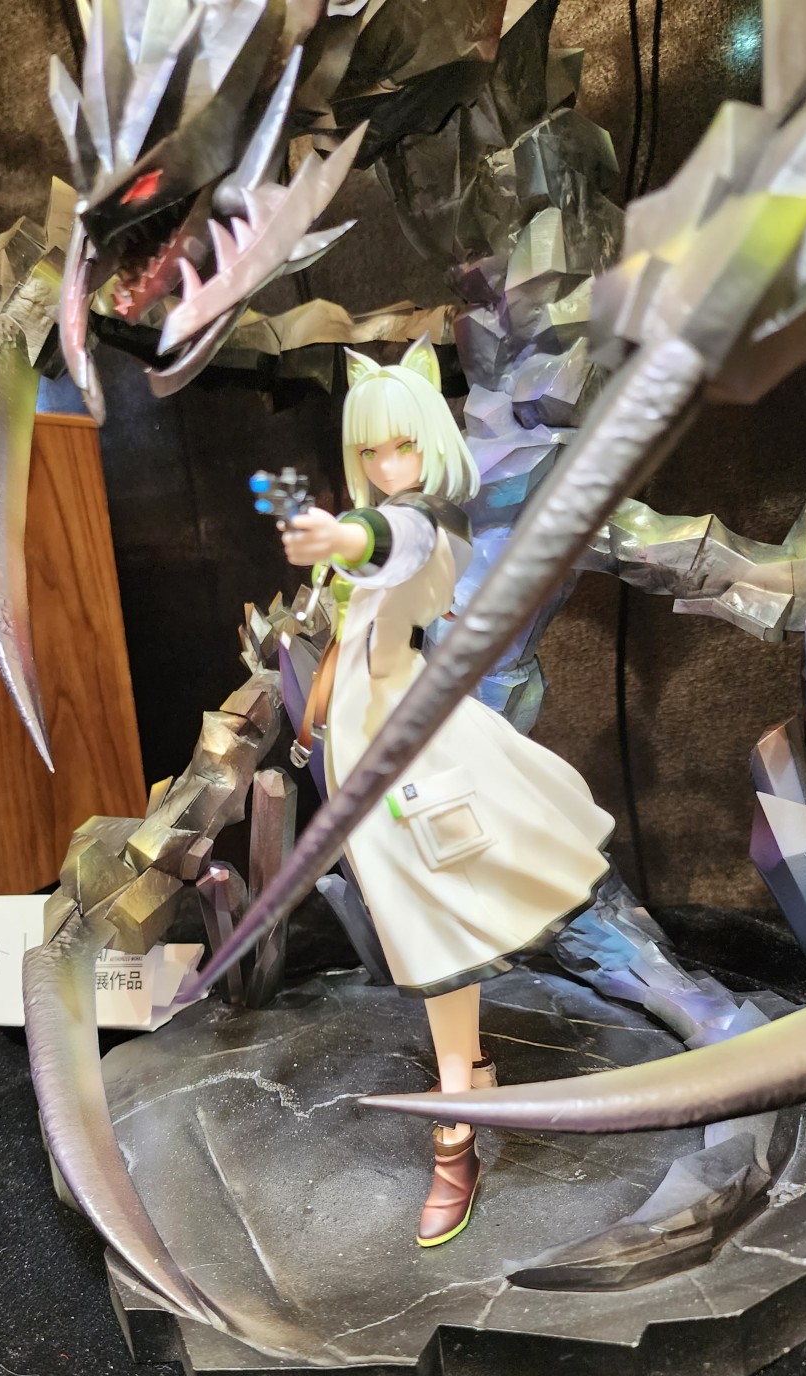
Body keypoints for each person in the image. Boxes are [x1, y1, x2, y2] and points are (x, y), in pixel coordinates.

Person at [281, 335, 613, 1246]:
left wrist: (343, 536)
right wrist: (314, 721)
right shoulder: (378, 529)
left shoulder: (424, 525)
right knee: (427, 929)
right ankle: (472, 1080)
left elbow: (392, 541)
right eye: (372, 451)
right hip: (366, 748)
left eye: (405, 446)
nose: (390, 465)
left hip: (411, 754)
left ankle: (456, 1133)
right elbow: (348, 630)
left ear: (433, 441)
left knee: (436, 932)